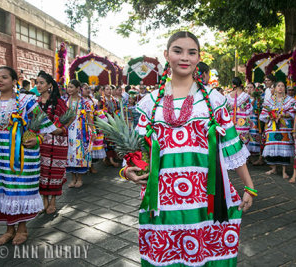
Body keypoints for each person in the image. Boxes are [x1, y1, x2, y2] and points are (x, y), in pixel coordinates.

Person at [123, 31, 255, 266]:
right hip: (162, 198)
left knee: (203, 253)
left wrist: (249, 186)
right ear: (166, 55)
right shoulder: (149, 103)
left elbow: (231, 145)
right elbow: (136, 150)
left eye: (191, 52)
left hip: (205, 195)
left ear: (198, 58)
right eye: (178, 51)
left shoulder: (213, 100)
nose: (185, 57)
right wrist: (127, 170)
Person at [0, 66, 56, 246]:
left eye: (4, 77)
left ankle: (22, 229)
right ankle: (9, 230)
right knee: (2, 191)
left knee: (19, 191)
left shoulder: (27, 101)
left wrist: (37, 139)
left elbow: (46, 127)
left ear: (14, 81)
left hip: (22, 158)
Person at [37, 71, 70, 214]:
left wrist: (61, 129)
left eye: (41, 83)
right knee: (41, 171)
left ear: (49, 85)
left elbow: (71, 117)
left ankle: (53, 202)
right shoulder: (35, 102)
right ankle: (44, 200)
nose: (38, 85)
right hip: (41, 142)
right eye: (36, 82)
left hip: (57, 142)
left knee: (55, 172)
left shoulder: (58, 101)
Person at [260, 81, 296, 179]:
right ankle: (274, 168)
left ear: (285, 88)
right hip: (272, 127)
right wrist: (271, 116)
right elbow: (263, 114)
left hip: (284, 127)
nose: (280, 88)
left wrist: (282, 115)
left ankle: (284, 171)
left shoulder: (290, 100)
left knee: (285, 148)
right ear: (275, 88)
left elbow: (293, 113)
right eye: (278, 86)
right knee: (273, 146)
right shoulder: (269, 101)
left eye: (282, 86)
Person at [64, 79, 95, 188]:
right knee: (70, 154)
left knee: (80, 153)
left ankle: (80, 178)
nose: (69, 89)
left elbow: (89, 118)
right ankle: (73, 178)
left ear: (78, 88)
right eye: (68, 87)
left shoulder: (85, 102)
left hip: (81, 131)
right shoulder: (66, 101)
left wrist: (93, 130)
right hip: (69, 130)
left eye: (72, 87)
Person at [226, 77, 253, 148]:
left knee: (232, 140)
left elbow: (226, 110)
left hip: (231, 122)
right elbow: (249, 110)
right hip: (243, 122)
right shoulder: (245, 96)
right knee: (243, 140)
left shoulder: (228, 97)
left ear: (233, 85)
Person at [99, 84, 121, 167]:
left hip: (113, 123)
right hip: (105, 123)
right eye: (107, 89)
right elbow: (99, 111)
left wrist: (117, 120)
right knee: (107, 141)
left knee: (113, 140)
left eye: (110, 89)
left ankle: (111, 158)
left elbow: (118, 111)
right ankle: (109, 159)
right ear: (104, 91)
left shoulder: (115, 100)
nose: (109, 91)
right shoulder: (101, 100)